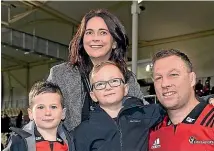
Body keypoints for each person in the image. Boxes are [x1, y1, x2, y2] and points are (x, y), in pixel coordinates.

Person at [47, 9, 148, 131]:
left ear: (114, 42)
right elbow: (43, 115)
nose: (95, 38)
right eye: (89, 32)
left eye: (103, 32)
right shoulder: (60, 74)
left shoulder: (127, 77)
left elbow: (144, 114)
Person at [74, 61, 164, 151]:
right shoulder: (84, 131)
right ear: (93, 95)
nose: (108, 87)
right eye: (100, 84)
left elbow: (173, 109)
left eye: (114, 81)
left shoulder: (145, 114)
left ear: (125, 89)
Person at [149, 49, 214, 151]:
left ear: (192, 79)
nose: (164, 84)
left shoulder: (210, 121)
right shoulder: (152, 131)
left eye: (173, 75)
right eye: (158, 78)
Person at [3, 81, 74, 151]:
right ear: (31, 114)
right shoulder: (18, 143)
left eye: (53, 107)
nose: (48, 113)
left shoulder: (71, 141)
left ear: (63, 113)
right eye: (41, 107)